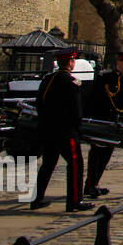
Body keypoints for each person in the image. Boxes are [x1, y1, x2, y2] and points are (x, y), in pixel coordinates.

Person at [31, 48, 93, 212]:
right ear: (71, 62)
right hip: (66, 131)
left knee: (48, 164)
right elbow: (76, 111)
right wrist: (79, 130)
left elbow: (39, 103)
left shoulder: (48, 79)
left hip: (48, 129)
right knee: (75, 164)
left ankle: (37, 199)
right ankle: (74, 200)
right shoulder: (71, 82)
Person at [83, 52, 123, 198]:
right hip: (102, 118)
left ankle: (94, 183)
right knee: (96, 153)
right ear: (118, 62)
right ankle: (91, 184)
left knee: (106, 154)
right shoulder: (105, 77)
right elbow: (94, 98)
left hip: (116, 121)